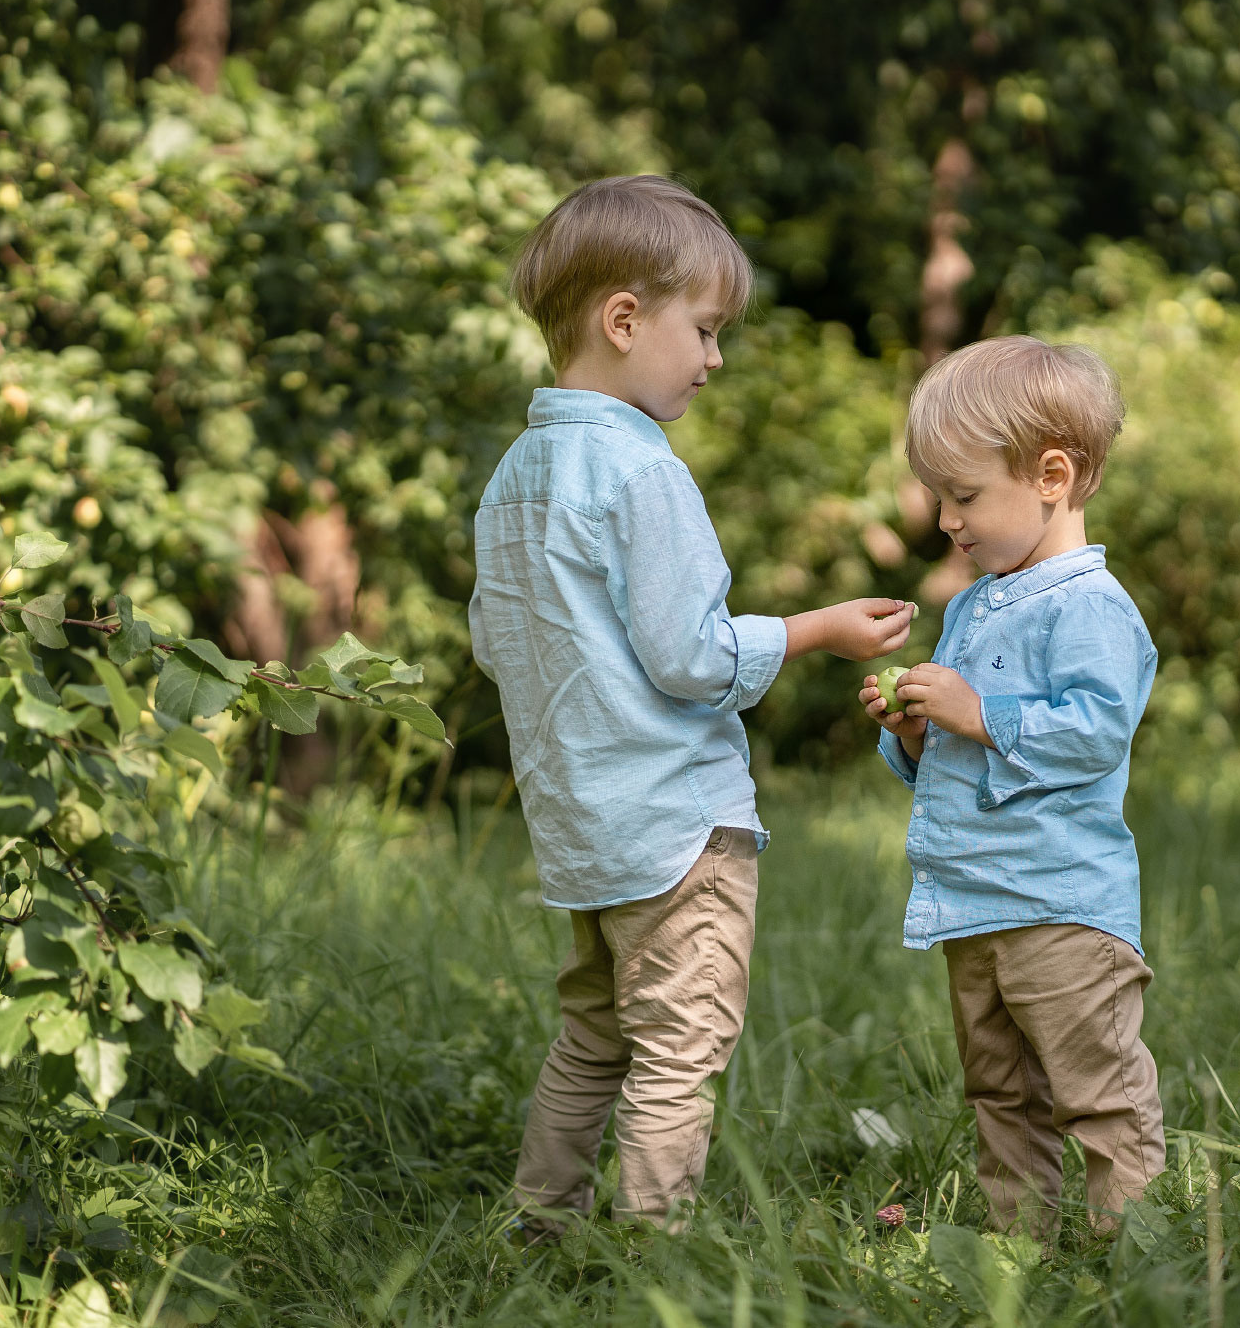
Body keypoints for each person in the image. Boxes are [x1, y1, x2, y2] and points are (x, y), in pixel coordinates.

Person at [471, 174, 914, 1235]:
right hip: (677, 826)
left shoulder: (516, 474)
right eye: (706, 330)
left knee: (593, 1035)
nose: (714, 359)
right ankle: (651, 1256)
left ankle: (540, 1221)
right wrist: (815, 630)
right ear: (624, 320)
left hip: (582, 828)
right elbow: (690, 657)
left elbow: (494, 641)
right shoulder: (641, 471)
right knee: (678, 1048)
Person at [860, 335, 1164, 1241]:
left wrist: (978, 710)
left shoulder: (1088, 606)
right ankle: (1018, 1247)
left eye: (964, 495)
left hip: (1060, 905)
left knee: (1098, 1090)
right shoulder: (973, 605)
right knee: (1001, 1090)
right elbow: (954, 754)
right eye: (938, 497)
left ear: (1051, 476)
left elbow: (1098, 730)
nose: (946, 519)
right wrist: (916, 731)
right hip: (976, 904)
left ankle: (1137, 1249)